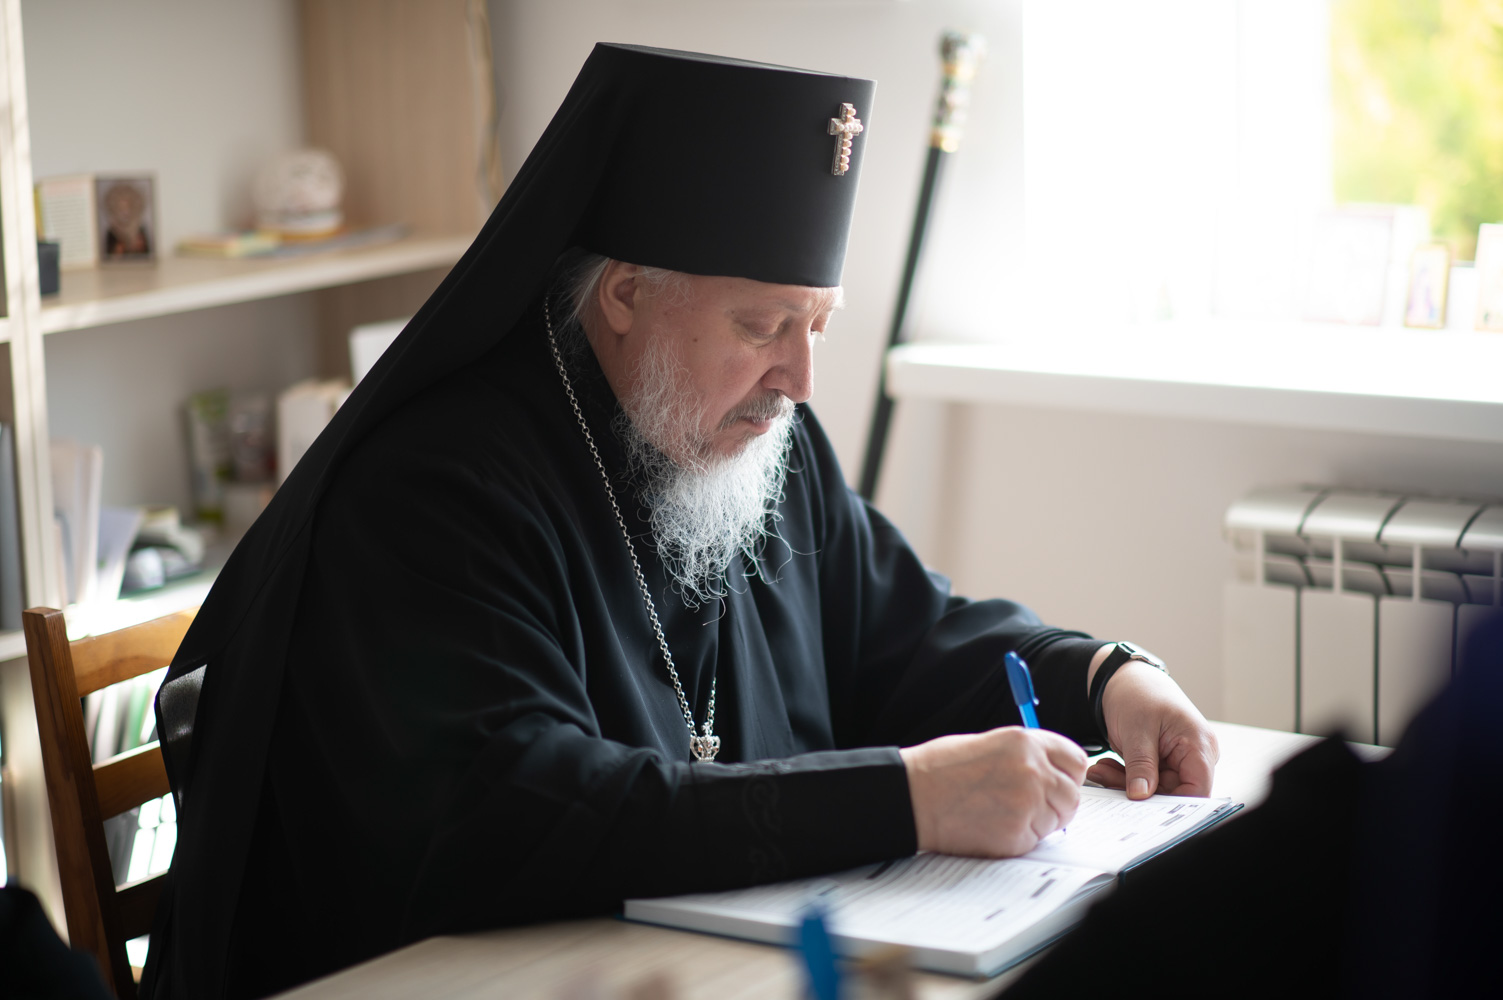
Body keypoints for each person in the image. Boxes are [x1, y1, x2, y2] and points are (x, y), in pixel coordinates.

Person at [141, 44, 1217, 999]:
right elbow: (521, 810)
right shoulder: (433, 492)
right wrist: (905, 799)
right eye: (762, 325)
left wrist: (1103, 677)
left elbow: (906, 631)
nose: (797, 377)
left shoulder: (754, 440)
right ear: (624, 294)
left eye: (816, 325)